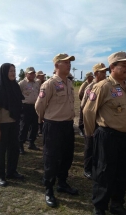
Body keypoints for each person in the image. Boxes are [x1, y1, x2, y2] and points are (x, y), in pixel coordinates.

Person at [83, 51, 126, 215]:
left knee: (122, 172)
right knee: (105, 173)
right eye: (124, 65)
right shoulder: (103, 86)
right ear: (112, 67)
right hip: (108, 137)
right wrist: (92, 135)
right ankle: (100, 206)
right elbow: (88, 112)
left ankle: (117, 203)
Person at [35, 53, 78, 208]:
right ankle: (49, 189)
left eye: (70, 62)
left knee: (67, 156)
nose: (69, 64)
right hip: (53, 126)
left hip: (67, 125)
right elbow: (39, 106)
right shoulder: (49, 84)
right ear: (57, 65)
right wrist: (45, 120)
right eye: (66, 62)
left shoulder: (69, 83)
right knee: (51, 159)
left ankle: (62, 183)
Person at [0, 63, 25, 187]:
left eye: (14, 71)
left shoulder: (15, 85)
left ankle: (11, 171)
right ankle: (0, 175)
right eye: (10, 71)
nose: (13, 73)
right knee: (0, 151)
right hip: (2, 124)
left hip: (14, 123)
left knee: (14, 149)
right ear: (4, 72)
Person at [81, 63, 108, 180]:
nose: (105, 73)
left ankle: (96, 166)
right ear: (96, 73)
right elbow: (83, 106)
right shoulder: (91, 87)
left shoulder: (106, 85)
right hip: (92, 121)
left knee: (99, 146)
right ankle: (87, 169)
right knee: (90, 145)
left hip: (101, 122)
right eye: (102, 72)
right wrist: (89, 125)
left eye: (105, 71)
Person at [18, 67, 40, 154]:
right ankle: (20, 145)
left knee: (35, 126)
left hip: (35, 107)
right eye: (30, 73)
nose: (32, 75)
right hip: (25, 107)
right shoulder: (22, 83)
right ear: (26, 74)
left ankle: (31, 143)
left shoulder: (37, 83)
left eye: (33, 73)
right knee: (24, 127)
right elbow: (17, 96)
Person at [78, 72, 94, 136]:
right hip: (84, 103)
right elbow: (80, 93)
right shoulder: (85, 84)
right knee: (82, 118)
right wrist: (83, 100)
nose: (92, 77)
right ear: (88, 77)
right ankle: (81, 130)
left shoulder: (92, 83)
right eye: (91, 76)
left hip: (89, 104)